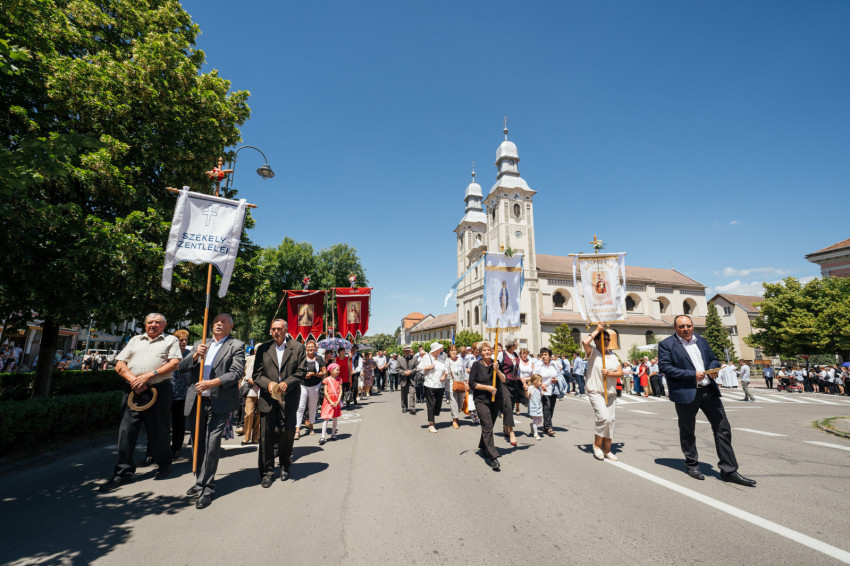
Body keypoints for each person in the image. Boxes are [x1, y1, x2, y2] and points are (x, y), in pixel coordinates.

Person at [658, 315, 756, 487]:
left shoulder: (701, 341)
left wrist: (713, 368)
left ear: (693, 326)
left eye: (688, 325)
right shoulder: (666, 345)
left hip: (708, 390)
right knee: (688, 430)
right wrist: (691, 374)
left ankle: (729, 470)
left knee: (723, 428)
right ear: (675, 328)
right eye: (682, 326)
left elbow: (713, 358)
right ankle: (692, 465)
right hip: (686, 393)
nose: (686, 329)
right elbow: (665, 368)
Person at [99, 313, 181, 492]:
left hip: (158, 389)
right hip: (133, 390)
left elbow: (174, 363)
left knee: (159, 430)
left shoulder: (171, 340)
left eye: (157, 323)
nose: (153, 325)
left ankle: (164, 464)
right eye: (150, 322)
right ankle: (123, 472)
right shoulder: (135, 340)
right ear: (144, 325)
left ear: (164, 325)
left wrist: (148, 376)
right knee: (126, 431)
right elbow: (120, 364)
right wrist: (133, 381)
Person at [179, 313, 245, 509]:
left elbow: (235, 372)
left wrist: (214, 382)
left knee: (212, 443)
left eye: (223, 321)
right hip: (198, 401)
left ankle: (207, 488)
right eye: (216, 321)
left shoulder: (236, 345)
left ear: (230, 326)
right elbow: (182, 367)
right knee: (197, 444)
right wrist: (195, 355)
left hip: (219, 401)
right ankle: (199, 480)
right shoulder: (201, 343)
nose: (218, 324)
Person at [253, 319, 306, 486]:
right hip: (268, 398)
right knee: (266, 437)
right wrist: (268, 384)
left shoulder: (297, 347)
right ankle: (267, 472)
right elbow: (257, 374)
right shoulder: (263, 348)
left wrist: (287, 383)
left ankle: (284, 464)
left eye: (279, 329)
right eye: (273, 329)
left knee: (286, 433)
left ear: (285, 330)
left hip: (288, 397)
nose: (276, 332)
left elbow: (301, 371)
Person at [582, 323, 623, 461]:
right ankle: (597, 445)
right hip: (595, 391)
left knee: (611, 421)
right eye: (603, 339)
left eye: (608, 339)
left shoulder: (612, 355)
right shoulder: (592, 352)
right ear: (597, 341)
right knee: (603, 418)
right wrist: (598, 330)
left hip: (610, 392)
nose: (606, 341)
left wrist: (610, 373)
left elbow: (620, 372)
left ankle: (607, 450)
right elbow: (585, 341)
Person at [469, 342, 505, 470]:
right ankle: (493, 457)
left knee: (488, 426)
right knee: (488, 425)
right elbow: (472, 383)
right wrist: (487, 388)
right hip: (481, 400)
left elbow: (504, 379)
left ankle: (483, 446)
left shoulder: (496, 363)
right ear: (479, 352)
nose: (487, 352)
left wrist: (497, 370)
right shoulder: (476, 365)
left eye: (489, 349)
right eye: (484, 350)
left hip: (495, 400)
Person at [170, 330, 194, 458]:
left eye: (185, 340)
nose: (184, 342)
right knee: (161, 423)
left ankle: (176, 448)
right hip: (167, 392)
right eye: (181, 340)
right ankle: (153, 452)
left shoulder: (190, 355)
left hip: (182, 394)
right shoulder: (169, 353)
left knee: (179, 423)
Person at [296, 339, 326, 439]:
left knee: (312, 407)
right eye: (308, 347)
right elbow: (297, 371)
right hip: (303, 385)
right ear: (306, 348)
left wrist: (314, 374)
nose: (310, 349)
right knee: (300, 407)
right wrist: (303, 376)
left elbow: (324, 372)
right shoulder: (302, 358)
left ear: (315, 348)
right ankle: (297, 429)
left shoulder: (319, 358)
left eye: (312, 347)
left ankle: (311, 427)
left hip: (315, 385)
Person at [497, 336, 520, 445]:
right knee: (509, 406)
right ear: (512, 343)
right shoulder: (502, 354)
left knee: (509, 406)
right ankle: (511, 432)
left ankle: (506, 426)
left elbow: (517, 371)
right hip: (504, 383)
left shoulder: (515, 355)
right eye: (516, 342)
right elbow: (495, 365)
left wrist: (523, 383)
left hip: (514, 383)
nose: (518, 343)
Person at [420, 342, 447, 433]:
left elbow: (445, 369)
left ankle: (433, 417)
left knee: (437, 405)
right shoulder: (427, 357)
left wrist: (444, 376)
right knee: (431, 404)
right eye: (439, 349)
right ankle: (431, 424)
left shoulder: (441, 358)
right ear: (435, 350)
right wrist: (428, 366)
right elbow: (419, 367)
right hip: (430, 384)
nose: (441, 350)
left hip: (440, 385)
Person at [536, 348, 560, 437]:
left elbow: (559, 375)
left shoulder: (554, 364)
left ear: (549, 356)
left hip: (553, 389)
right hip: (543, 390)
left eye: (545, 355)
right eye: (542, 355)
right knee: (547, 407)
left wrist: (556, 380)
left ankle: (546, 426)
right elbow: (534, 377)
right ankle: (549, 427)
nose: (543, 356)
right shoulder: (538, 365)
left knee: (551, 408)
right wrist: (541, 384)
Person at [240, 347, 260, 445]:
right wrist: (258, 383)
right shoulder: (252, 363)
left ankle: (255, 437)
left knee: (259, 415)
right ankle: (246, 437)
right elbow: (248, 378)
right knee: (248, 414)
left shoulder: (267, 363)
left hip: (262, 393)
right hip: (251, 392)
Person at [319, 363, 342, 445]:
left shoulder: (339, 379)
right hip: (328, 401)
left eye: (339, 370)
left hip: (336, 400)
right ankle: (323, 437)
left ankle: (333, 434)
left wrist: (338, 400)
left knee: (335, 418)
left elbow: (340, 391)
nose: (338, 371)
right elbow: (325, 391)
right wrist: (331, 401)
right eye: (337, 370)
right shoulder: (326, 380)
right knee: (326, 418)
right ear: (331, 371)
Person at [446, 345, 467, 429]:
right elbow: (446, 371)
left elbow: (464, 371)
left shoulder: (460, 360)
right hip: (452, 383)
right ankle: (454, 419)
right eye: (451, 351)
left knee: (460, 403)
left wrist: (466, 381)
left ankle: (456, 415)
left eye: (455, 350)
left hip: (461, 383)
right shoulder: (447, 361)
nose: (454, 352)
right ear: (449, 353)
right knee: (453, 402)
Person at [397, 345, 418, 414]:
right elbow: (397, 369)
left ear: (410, 351)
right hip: (403, 379)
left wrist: (411, 371)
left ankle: (412, 407)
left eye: (408, 350)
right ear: (403, 351)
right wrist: (404, 372)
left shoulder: (414, 358)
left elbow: (417, 367)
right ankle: (404, 407)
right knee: (404, 394)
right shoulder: (400, 359)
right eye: (405, 351)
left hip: (412, 379)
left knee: (412, 393)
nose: (407, 352)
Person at [525, 374, 544, 440]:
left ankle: (533, 425)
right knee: (535, 421)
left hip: (539, 407)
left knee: (540, 420)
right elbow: (527, 396)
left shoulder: (539, 388)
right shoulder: (531, 388)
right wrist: (526, 390)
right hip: (533, 407)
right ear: (535, 381)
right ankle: (536, 434)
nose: (541, 383)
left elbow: (541, 395)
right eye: (540, 381)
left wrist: (542, 391)